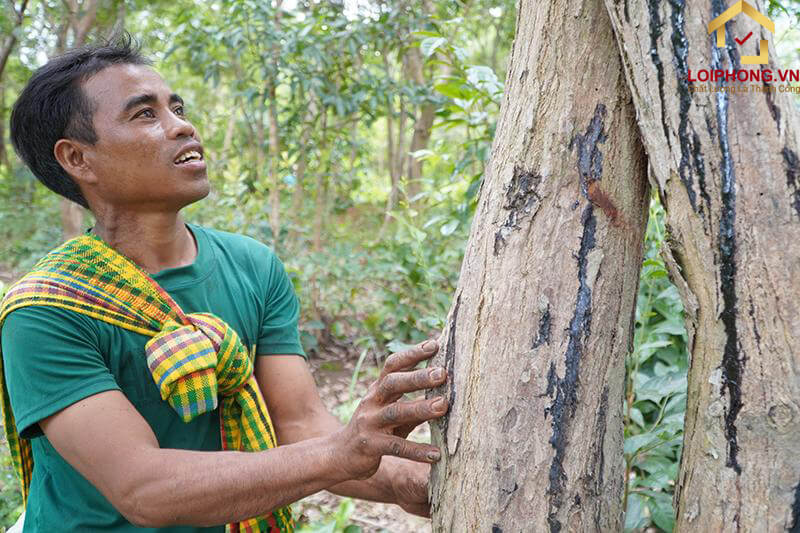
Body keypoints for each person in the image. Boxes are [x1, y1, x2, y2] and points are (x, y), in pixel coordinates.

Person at [0, 35, 449, 532]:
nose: (182, 126)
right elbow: (143, 488)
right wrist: (341, 453)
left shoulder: (251, 265)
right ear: (78, 160)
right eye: (145, 115)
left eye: (177, 107)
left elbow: (297, 426)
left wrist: (413, 480)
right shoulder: (45, 310)